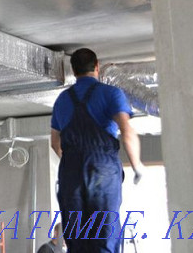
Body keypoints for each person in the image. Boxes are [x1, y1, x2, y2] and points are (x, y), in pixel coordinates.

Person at [51, 48, 144, 253]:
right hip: (102, 169)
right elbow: (127, 131)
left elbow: (55, 142)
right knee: (104, 236)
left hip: (70, 172)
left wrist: (73, 165)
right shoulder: (111, 94)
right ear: (97, 66)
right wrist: (137, 166)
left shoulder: (62, 100)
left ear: (74, 71)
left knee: (77, 240)